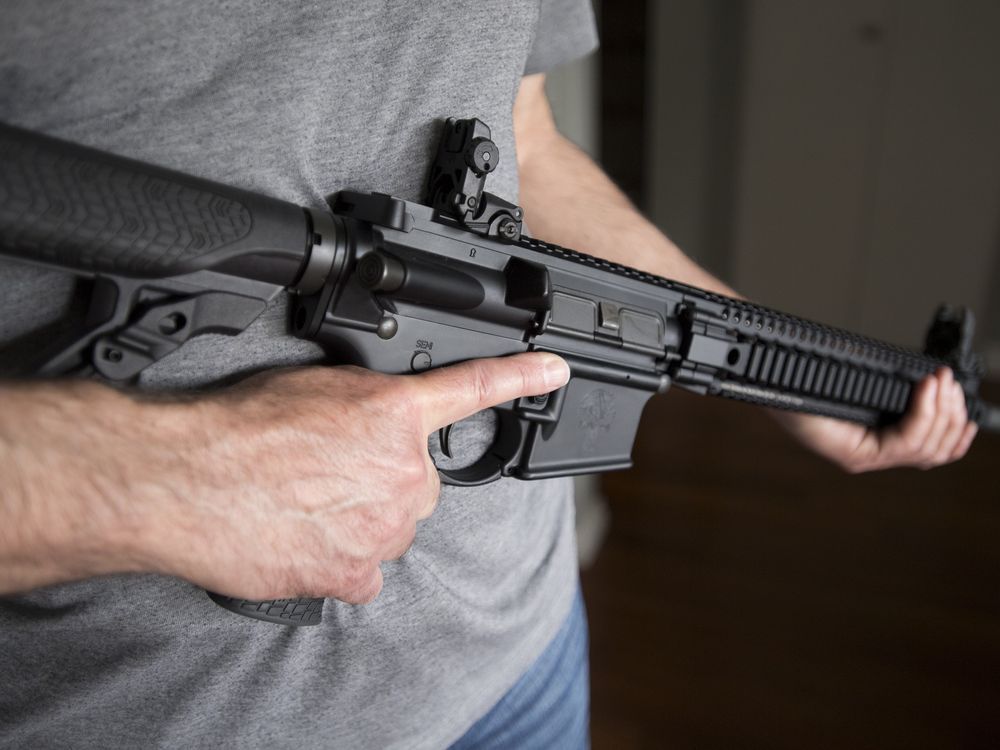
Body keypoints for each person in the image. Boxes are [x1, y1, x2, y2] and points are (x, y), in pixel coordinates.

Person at [0, 1, 975, 747]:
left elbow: (527, 141)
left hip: (520, 657)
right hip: (157, 714)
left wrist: (794, 381)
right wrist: (164, 478)